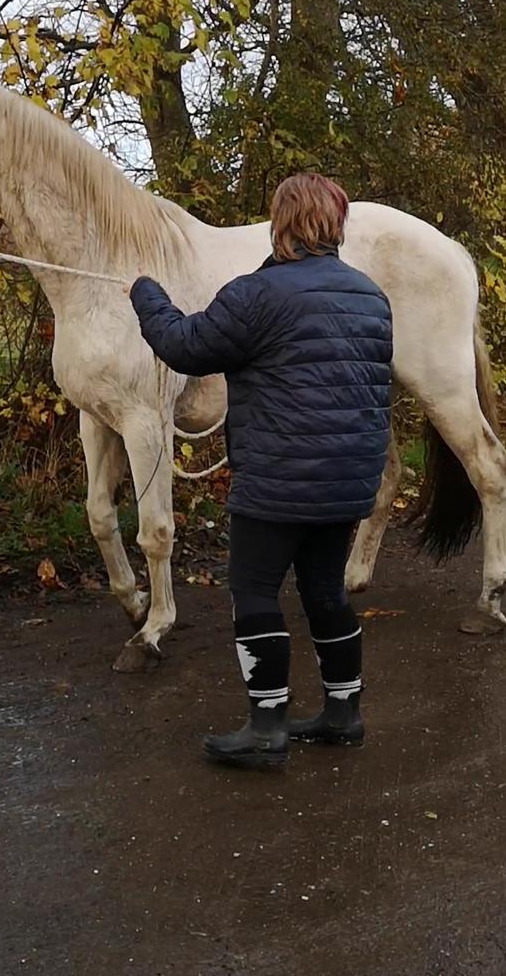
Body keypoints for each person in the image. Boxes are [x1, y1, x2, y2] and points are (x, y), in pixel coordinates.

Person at [128, 173, 393, 771]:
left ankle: (268, 724)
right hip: (349, 482)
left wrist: (145, 292)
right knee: (324, 590)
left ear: (282, 223)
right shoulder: (370, 296)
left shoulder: (255, 295)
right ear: (334, 224)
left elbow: (184, 345)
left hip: (277, 481)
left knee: (253, 591)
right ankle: (342, 713)